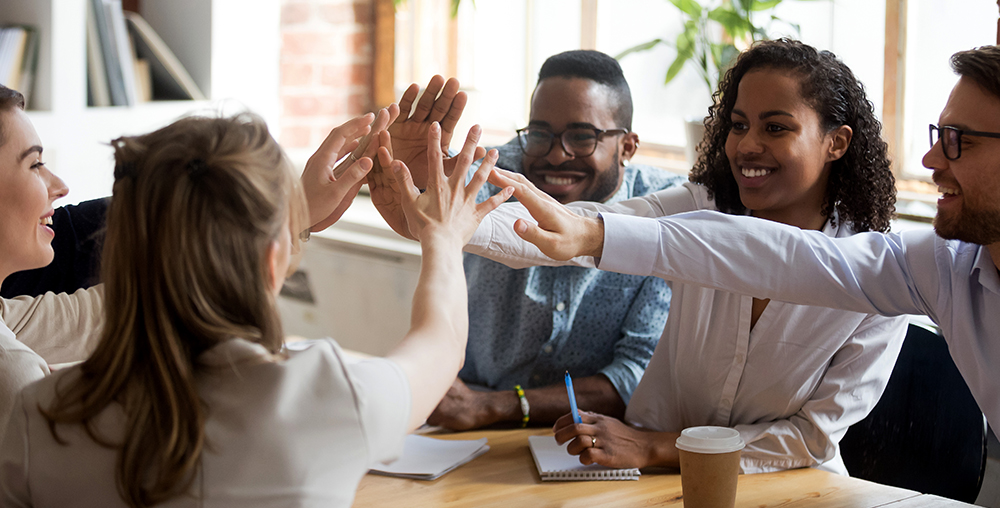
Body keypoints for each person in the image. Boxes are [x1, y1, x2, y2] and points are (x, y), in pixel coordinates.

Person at [488, 44, 1000, 452]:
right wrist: (436, 214)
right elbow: (565, 231)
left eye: (960, 140)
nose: (932, 157)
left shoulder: (888, 261)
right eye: (737, 125)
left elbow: (812, 435)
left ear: (836, 143)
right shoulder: (930, 266)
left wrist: (655, 447)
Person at [0, 112, 510, 507]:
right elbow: (440, 342)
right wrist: (442, 238)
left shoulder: (38, 414)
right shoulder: (327, 398)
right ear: (276, 259)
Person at [0, 82, 396, 441]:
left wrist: (290, 211)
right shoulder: (16, 377)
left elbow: (116, 307)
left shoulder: (13, 324)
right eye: (35, 164)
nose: (59, 187)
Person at [370, 51, 683, 430]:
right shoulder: (504, 168)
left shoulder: (667, 213)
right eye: (540, 135)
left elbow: (637, 375)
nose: (555, 155)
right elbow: (444, 189)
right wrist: (416, 176)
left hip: (591, 438)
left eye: (582, 137)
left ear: (628, 146)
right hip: (459, 424)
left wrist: (492, 407)